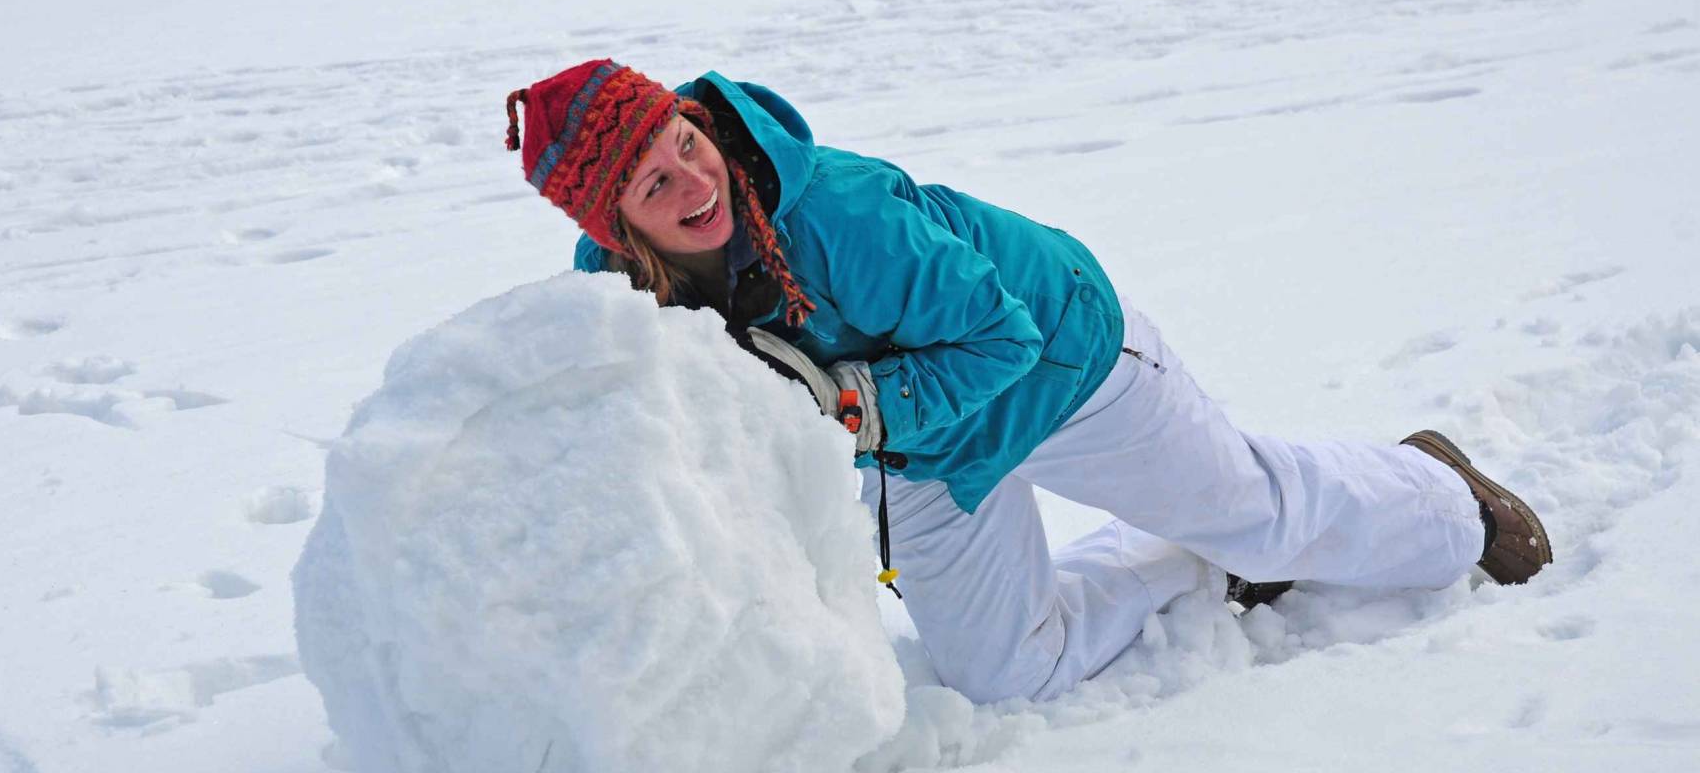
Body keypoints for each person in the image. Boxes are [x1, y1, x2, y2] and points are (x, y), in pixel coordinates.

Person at [501, 59, 1553, 704]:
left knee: (1255, 513)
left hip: (1053, 358)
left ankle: (1451, 502)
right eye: (653, 180)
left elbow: (996, 335)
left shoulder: (838, 217)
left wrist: (861, 405)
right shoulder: (627, 298)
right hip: (922, 443)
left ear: (699, 120)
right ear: (618, 229)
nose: (694, 180)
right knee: (1003, 671)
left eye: (688, 143)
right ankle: (1198, 571)